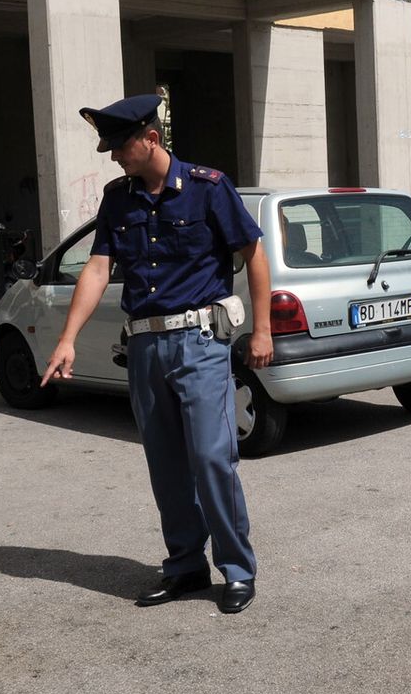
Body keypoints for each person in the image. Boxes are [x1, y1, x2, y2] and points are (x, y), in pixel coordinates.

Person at [39, 94, 273, 614]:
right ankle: (186, 566)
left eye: (120, 145)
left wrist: (263, 330)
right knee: (165, 465)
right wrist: (67, 338)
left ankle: (237, 570)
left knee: (212, 457)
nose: (114, 155)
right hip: (144, 344)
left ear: (151, 138)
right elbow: (99, 268)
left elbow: (253, 254)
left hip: (200, 342)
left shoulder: (209, 189)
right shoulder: (118, 199)